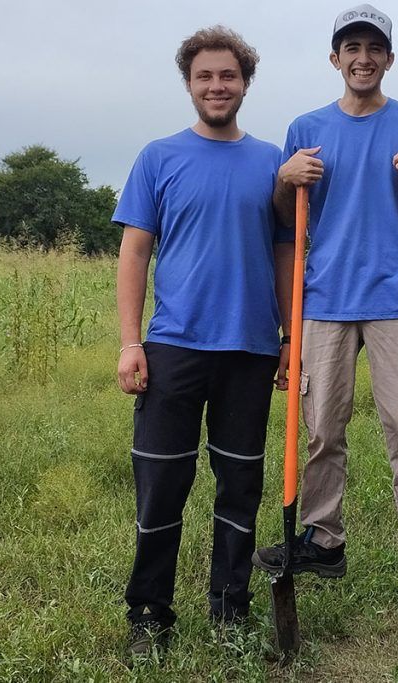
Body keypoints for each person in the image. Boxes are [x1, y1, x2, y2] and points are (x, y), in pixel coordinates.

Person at [253, 4, 398, 590]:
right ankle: (321, 539)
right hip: (324, 297)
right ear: (335, 59)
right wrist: (285, 179)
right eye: (352, 49)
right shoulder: (305, 129)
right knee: (320, 427)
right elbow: (286, 218)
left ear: (389, 59)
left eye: (374, 49)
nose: (363, 59)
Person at [113, 26, 293, 657]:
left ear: (246, 83)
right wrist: (130, 342)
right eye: (205, 77)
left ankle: (230, 609)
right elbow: (135, 252)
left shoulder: (272, 162)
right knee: (162, 485)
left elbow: (285, 253)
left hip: (250, 349)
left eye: (228, 76)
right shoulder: (158, 157)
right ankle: (149, 614)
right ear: (189, 84)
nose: (217, 86)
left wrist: (290, 338)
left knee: (239, 486)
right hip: (174, 347)